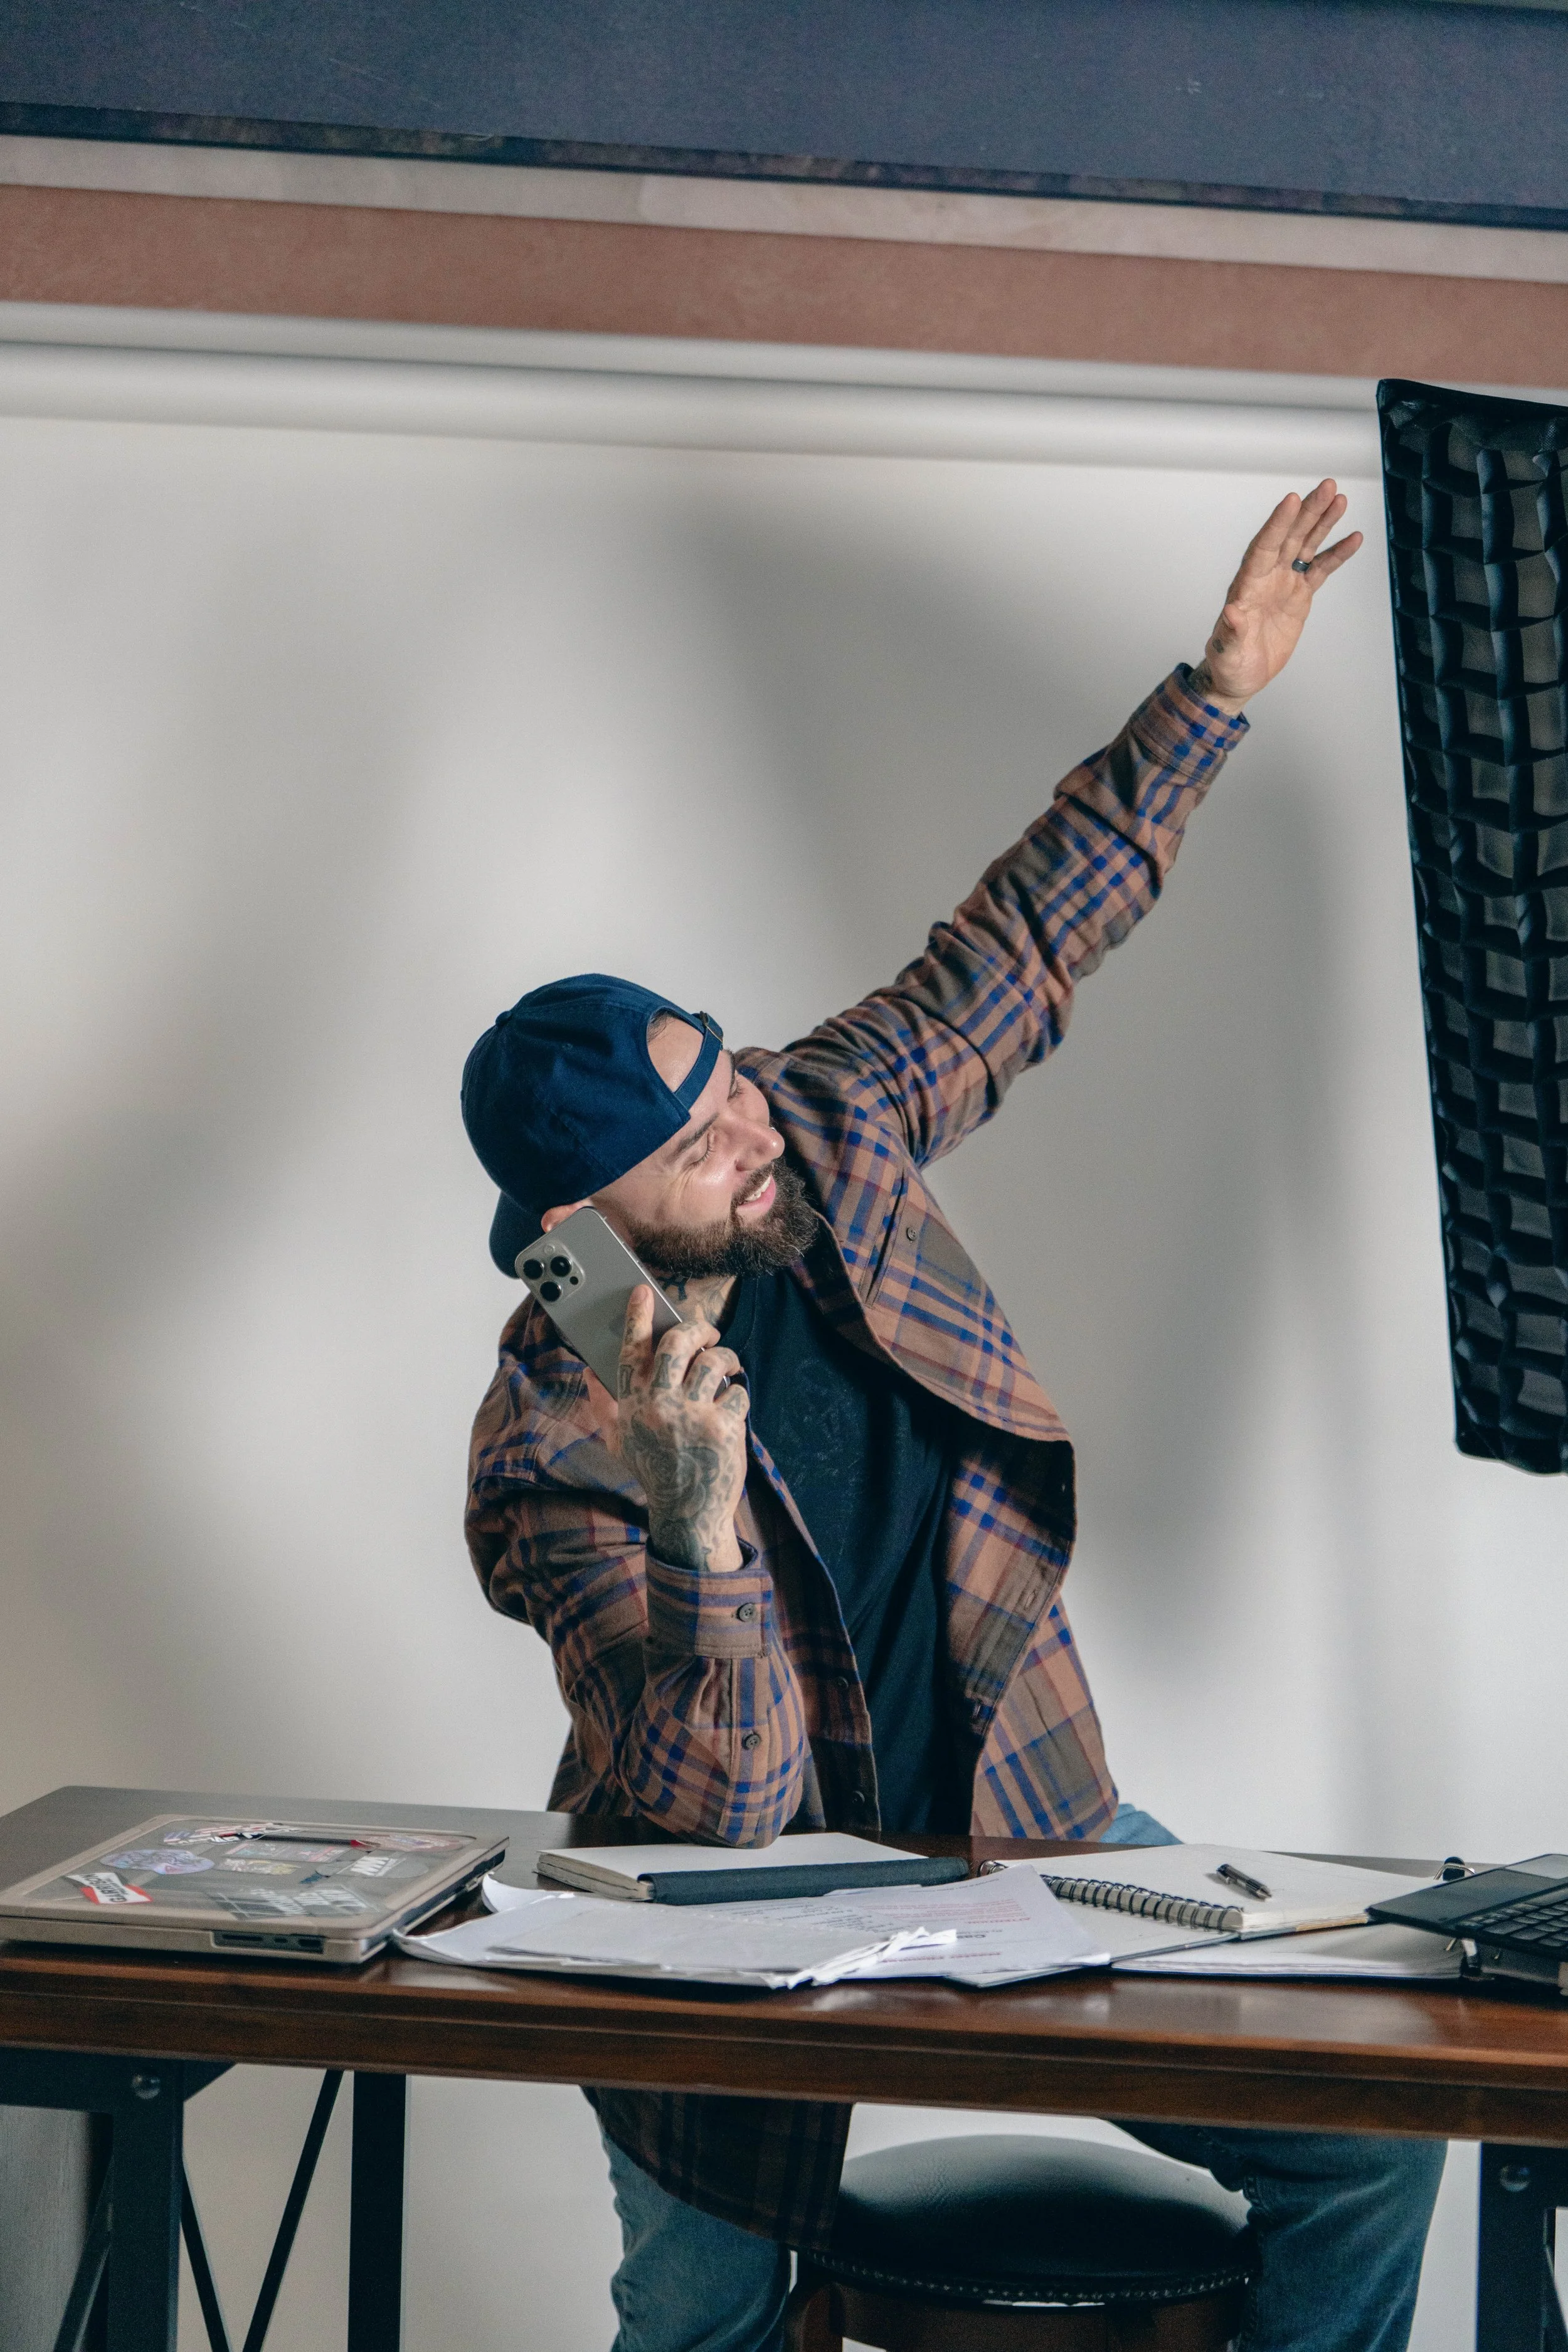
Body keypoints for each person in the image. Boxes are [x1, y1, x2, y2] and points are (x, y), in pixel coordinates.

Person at [460, 482, 1444, 2352]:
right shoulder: (545, 1446)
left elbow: (1011, 952)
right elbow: (725, 1819)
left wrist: (1213, 692)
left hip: (1017, 1828)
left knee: (1369, 2139)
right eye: (695, 1144)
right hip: (713, 1936)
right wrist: (697, 1517)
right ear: (579, 1229)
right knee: (702, 2319)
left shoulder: (820, 1129)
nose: (751, 1128)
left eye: (727, 1073)